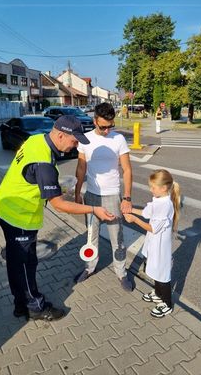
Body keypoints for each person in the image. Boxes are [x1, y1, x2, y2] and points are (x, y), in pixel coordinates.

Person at [0, 115, 115, 321]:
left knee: (15, 262)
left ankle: (20, 304)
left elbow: (31, 175)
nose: (75, 147)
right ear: (60, 135)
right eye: (74, 141)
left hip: (5, 207)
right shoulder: (44, 163)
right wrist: (94, 210)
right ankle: (35, 306)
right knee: (26, 264)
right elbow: (59, 205)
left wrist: (52, 185)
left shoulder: (36, 140)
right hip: (19, 216)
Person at [74, 102, 133, 291]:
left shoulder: (119, 140)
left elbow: (127, 169)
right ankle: (90, 267)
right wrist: (77, 193)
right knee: (91, 237)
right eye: (103, 126)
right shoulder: (85, 139)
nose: (107, 130)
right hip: (91, 196)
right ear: (95, 121)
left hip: (112, 197)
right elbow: (81, 168)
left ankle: (121, 272)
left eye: (111, 126)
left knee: (118, 238)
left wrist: (127, 197)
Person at [124, 169, 180, 317]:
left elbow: (153, 228)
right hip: (154, 244)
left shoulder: (165, 206)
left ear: (163, 188)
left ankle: (167, 303)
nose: (150, 189)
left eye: (153, 187)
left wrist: (134, 219)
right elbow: (146, 213)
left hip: (160, 246)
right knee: (154, 269)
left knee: (162, 275)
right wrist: (130, 210)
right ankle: (157, 293)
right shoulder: (158, 200)